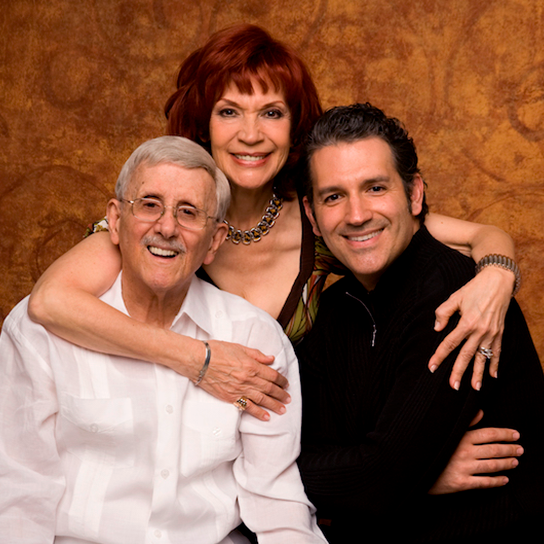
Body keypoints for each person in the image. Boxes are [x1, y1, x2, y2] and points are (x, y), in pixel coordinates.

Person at [28, 24, 519, 483]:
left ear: (294, 128)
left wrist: (496, 278)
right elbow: (50, 304)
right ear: (202, 125)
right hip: (176, 470)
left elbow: (477, 236)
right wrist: (198, 360)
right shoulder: (162, 228)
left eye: (271, 113)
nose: (251, 134)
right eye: (229, 111)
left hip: (295, 474)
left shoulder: (327, 219)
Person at [0, 136, 327, 544]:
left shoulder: (255, 338)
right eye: (150, 204)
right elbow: (20, 493)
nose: (167, 227)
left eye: (189, 212)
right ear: (115, 221)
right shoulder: (38, 334)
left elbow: (276, 501)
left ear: (214, 241)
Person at [296, 103, 544, 543]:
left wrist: (392, 477)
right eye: (334, 196)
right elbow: (298, 455)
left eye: (375, 188)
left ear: (414, 195)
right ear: (313, 215)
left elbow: (377, 478)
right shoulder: (335, 306)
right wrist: (418, 474)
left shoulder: (453, 294)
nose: (356, 215)